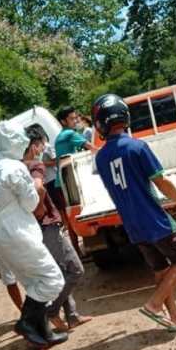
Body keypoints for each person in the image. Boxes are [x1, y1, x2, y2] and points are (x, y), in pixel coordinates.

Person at [92, 94, 176, 332]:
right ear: (125, 117)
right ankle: (154, 304)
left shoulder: (100, 158)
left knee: (161, 269)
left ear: (100, 124)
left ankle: (175, 318)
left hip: (132, 225)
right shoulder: (137, 147)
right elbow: (160, 182)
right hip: (155, 220)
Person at [0, 121, 67, 350]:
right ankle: (26, 323)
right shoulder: (14, 168)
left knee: (33, 283)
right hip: (17, 232)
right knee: (52, 280)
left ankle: (42, 334)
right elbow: (31, 203)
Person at [5, 126, 91, 331]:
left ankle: (72, 315)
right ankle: (52, 311)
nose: (43, 148)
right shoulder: (34, 165)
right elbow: (39, 188)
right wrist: (40, 210)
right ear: (34, 146)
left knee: (61, 270)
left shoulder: (13, 168)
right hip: (46, 226)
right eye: (42, 144)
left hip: (33, 229)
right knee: (75, 270)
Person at [53, 107, 96, 254]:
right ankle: (78, 251)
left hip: (61, 182)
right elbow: (90, 147)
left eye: (76, 117)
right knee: (76, 215)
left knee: (69, 218)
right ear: (63, 121)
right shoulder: (70, 134)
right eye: (72, 118)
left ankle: (77, 251)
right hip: (69, 181)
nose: (76, 121)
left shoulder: (59, 136)